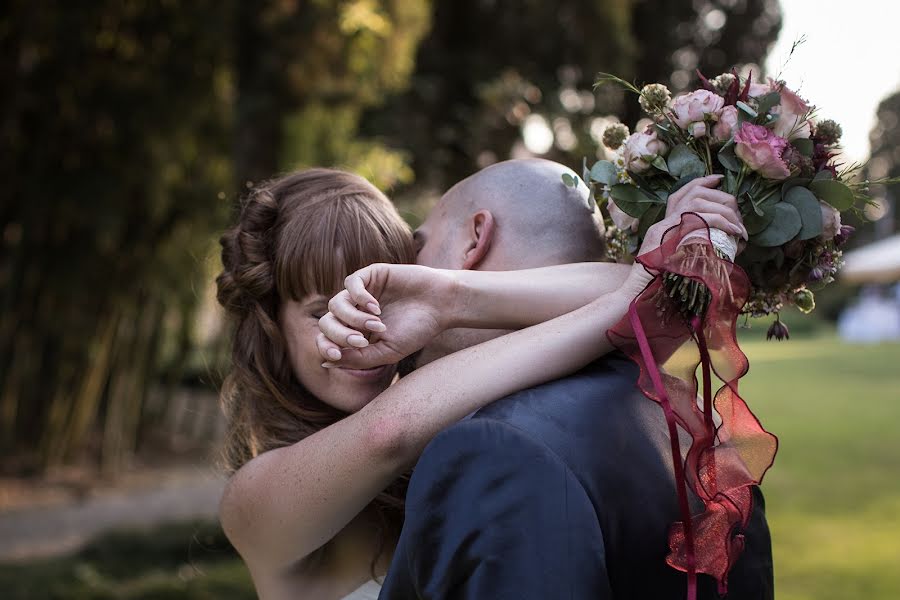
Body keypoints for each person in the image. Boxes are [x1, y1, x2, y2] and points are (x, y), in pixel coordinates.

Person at [215, 164, 751, 599]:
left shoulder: (450, 409)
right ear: (272, 328)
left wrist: (447, 297)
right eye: (319, 312)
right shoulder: (252, 500)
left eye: (376, 295)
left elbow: (626, 297)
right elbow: (388, 430)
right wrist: (633, 289)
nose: (357, 326)